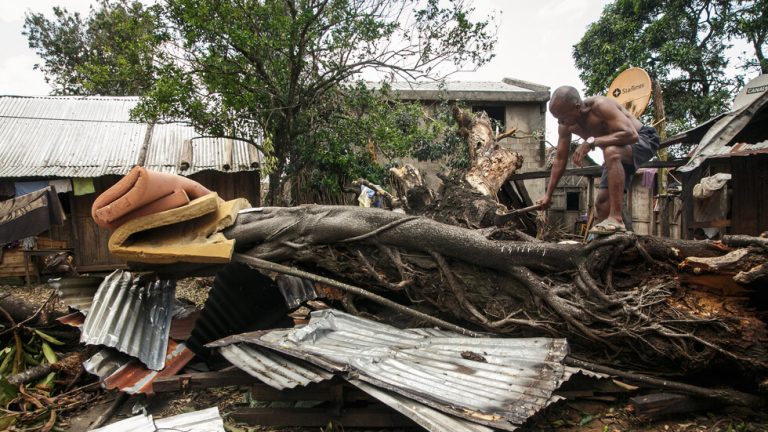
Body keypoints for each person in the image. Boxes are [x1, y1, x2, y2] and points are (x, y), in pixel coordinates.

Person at [538, 86, 660, 235]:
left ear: (577, 107)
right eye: (557, 118)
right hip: (616, 153)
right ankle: (606, 246)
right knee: (602, 203)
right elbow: (560, 159)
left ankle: (616, 219)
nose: (560, 122)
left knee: (611, 152)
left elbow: (631, 135)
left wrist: (591, 142)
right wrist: (548, 195)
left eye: (562, 117)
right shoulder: (565, 126)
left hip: (643, 139)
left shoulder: (601, 106)